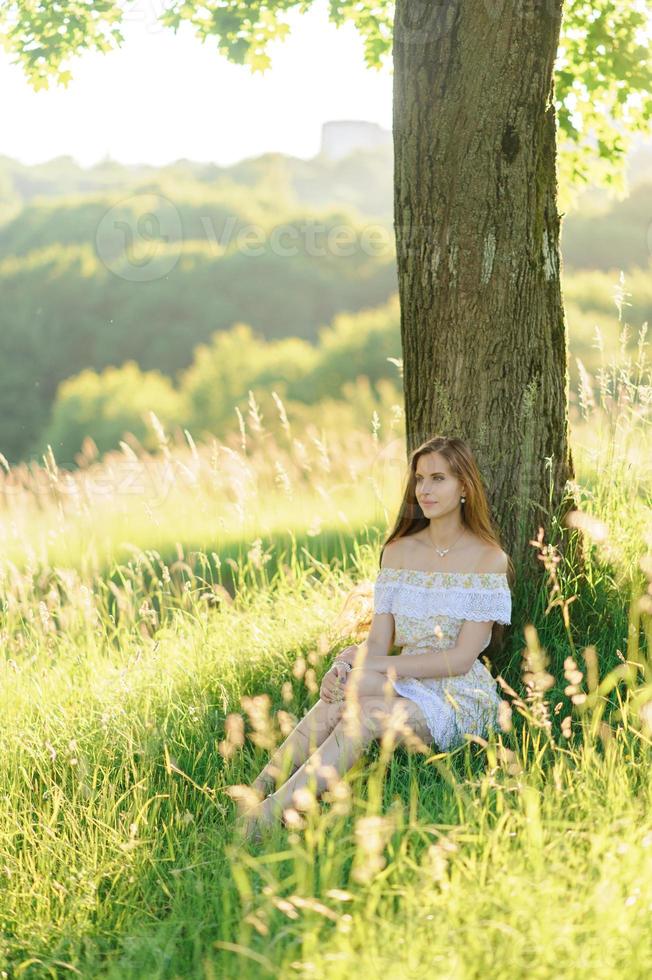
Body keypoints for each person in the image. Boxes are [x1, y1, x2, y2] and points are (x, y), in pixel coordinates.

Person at [236, 434, 513, 841]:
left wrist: (375, 666)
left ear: (464, 487)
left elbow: (459, 659)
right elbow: (378, 643)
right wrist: (347, 665)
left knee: (364, 715)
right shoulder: (399, 551)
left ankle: (268, 818)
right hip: (406, 680)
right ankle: (255, 793)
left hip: (457, 695)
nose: (425, 490)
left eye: (438, 479)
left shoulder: (488, 559)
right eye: (420, 479)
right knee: (337, 700)